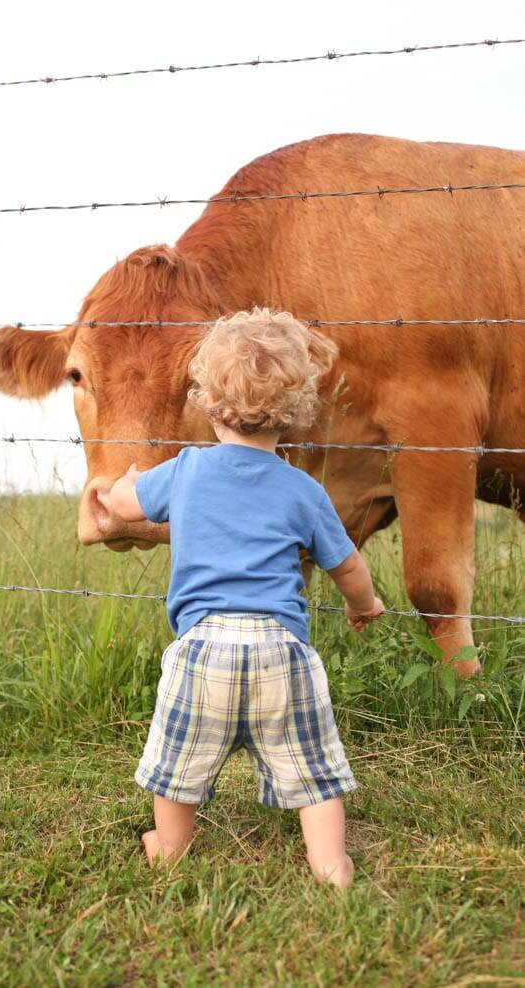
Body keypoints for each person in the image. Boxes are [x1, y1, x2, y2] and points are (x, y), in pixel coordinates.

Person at [98, 308, 384, 888]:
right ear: (298, 404)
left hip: (201, 648)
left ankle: (169, 847)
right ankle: (331, 864)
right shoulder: (303, 489)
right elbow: (347, 564)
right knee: (313, 774)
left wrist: (117, 486)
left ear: (206, 396)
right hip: (283, 650)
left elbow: (127, 508)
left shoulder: (186, 470)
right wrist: (364, 605)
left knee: (177, 769)